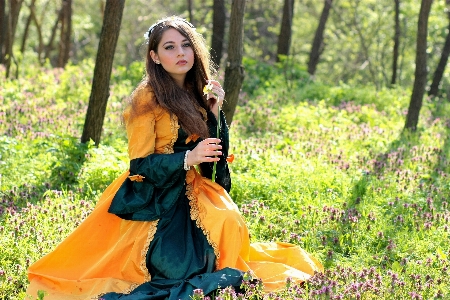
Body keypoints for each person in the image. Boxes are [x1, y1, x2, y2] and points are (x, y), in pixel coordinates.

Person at [26, 16, 323, 299]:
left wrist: (215, 112)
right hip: (155, 194)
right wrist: (187, 158)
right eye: (169, 47)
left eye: (185, 45)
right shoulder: (146, 97)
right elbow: (139, 166)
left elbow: (214, 157)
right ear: (155, 56)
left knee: (229, 222)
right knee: (178, 265)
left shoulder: (197, 90)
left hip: (194, 187)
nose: (180, 53)